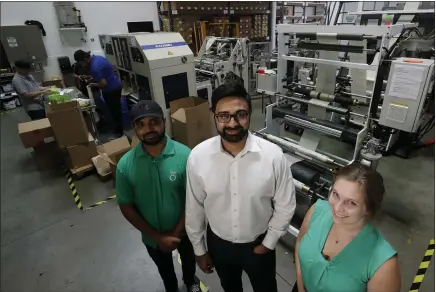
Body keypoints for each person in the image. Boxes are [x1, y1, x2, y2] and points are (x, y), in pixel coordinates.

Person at [185, 81, 296, 292]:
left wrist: (269, 242)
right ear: (214, 117)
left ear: (250, 115)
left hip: (259, 244)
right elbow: (195, 207)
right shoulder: (198, 157)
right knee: (230, 288)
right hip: (219, 244)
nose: (232, 123)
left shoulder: (273, 156)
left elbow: (285, 205)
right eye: (224, 116)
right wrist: (199, 249)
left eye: (241, 114)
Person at [116, 100, 201, 292]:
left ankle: (190, 281)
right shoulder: (125, 165)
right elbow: (126, 206)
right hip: (152, 236)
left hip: (185, 231)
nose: (149, 129)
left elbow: (194, 199)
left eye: (154, 122)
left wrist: (177, 233)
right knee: (164, 269)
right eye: (141, 124)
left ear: (164, 122)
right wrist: (157, 237)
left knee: (189, 260)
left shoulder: (186, 156)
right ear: (134, 129)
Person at [294, 163, 401, 292]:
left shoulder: (384, 264)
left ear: (369, 209)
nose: (337, 208)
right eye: (336, 194)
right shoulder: (317, 211)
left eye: (351, 203)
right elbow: (300, 243)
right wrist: (300, 287)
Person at [73, 50, 123, 139]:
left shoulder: (94, 67)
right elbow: (103, 74)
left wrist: (93, 84)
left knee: (114, 111)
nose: (82, 65)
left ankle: (119, 133)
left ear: (85, 59)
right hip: (116, 84)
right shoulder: (98, 58)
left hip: (110, 90)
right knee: (116, 109)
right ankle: (118, 129)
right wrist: (89, 77)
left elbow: (103, 83)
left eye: (81, 62)